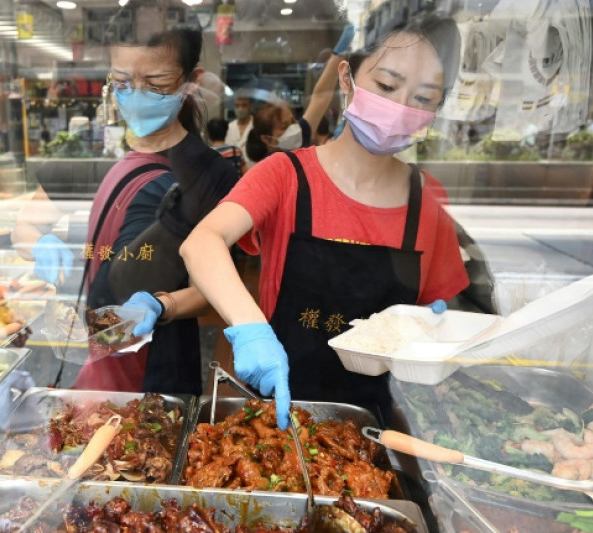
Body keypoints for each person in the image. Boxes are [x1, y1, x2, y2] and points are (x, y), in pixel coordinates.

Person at [180, 16, 468, 429]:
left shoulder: (429, 199)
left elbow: (436, 315)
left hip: (381, 426)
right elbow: (202, 242)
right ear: (347, 78)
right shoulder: (285, 175)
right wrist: (251, 329)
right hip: (284, 418)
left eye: (423, 97)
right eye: (387, 86)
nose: (401, 107)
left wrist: (433, 329)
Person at [12, 25, 238, 395]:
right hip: (79, 346)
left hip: (160, 361)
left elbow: (209, 290)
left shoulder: (209, 173)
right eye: (122, 81)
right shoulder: (89, 153)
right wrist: (39, 245)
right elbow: (23, 229)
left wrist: (161, 305)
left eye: (156, 82)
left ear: (191, 81)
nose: (137, 94)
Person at [244, 26, 355, 164]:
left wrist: (339, 53)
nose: (293, 129)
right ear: (268, 139)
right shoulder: (270, 167)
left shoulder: (300, 136)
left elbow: (320, 97)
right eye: (284, 126)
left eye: (293, 121)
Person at [225, 95, 254, 168]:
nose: (240, 109)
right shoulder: (230, 127)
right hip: (233, 170)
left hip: (253, 168)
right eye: (237, 106)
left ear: (250, 106)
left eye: (244, 105)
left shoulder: (257, 125)